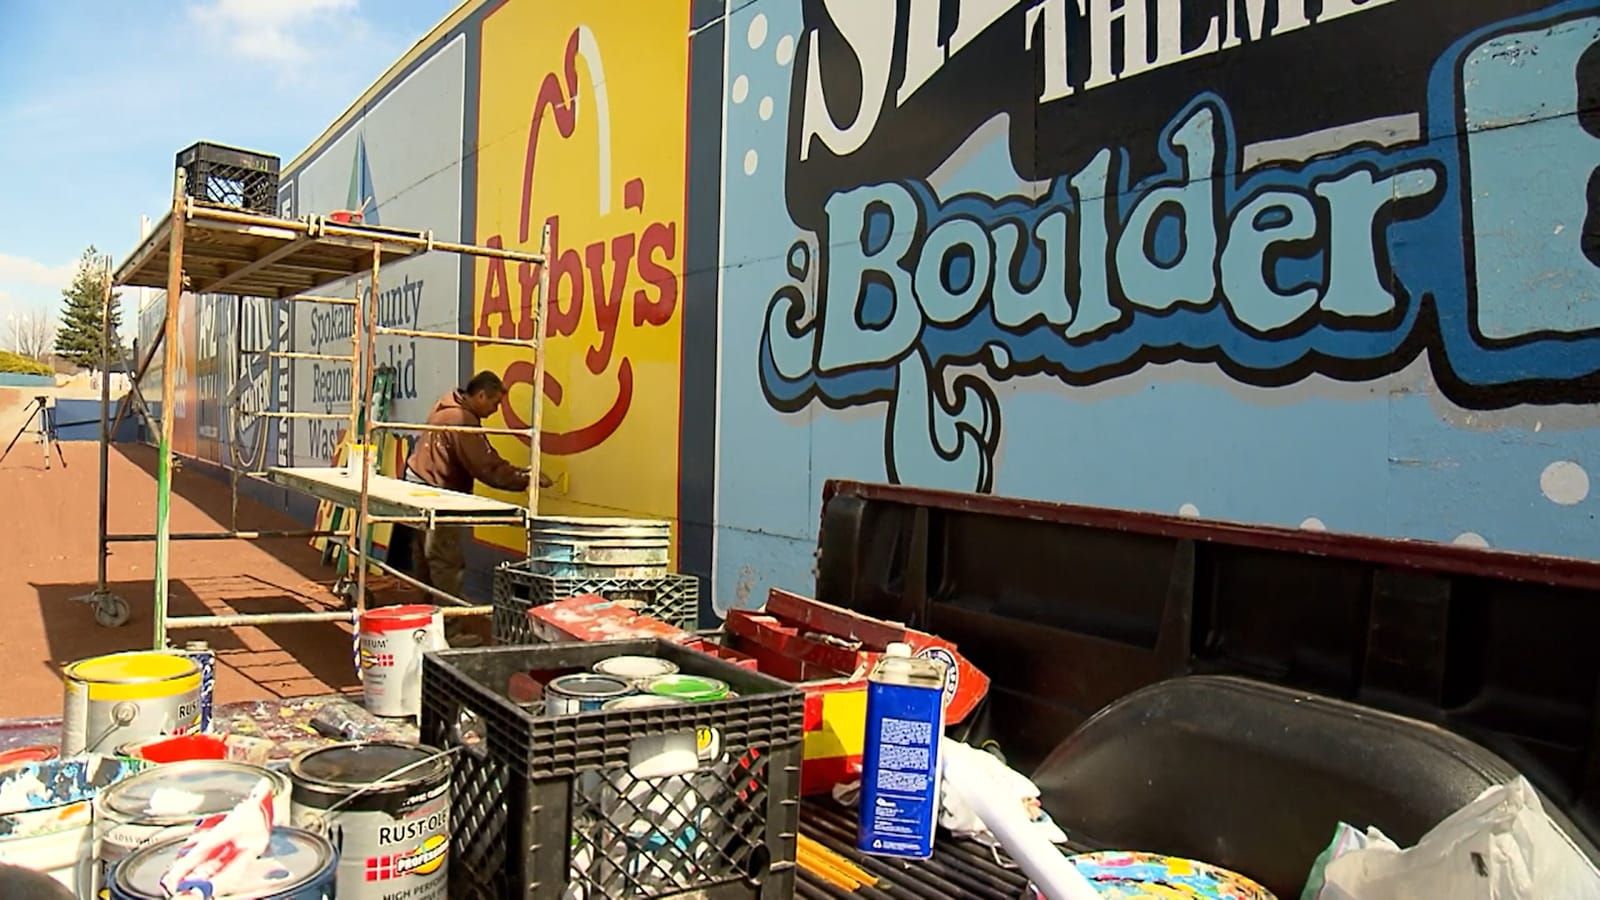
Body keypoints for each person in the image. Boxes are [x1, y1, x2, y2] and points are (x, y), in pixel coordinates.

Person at [405, 372, 549, 635]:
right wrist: (524, 478)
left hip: (417, 489)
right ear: (481, 395)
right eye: (494, 403)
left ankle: (426, 622)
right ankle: (448, 632)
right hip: (437, 495)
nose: (495, 411)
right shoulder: (462, 419)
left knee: (425, 561)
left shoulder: (446, 407)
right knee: (445, 563)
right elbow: (486, 466)